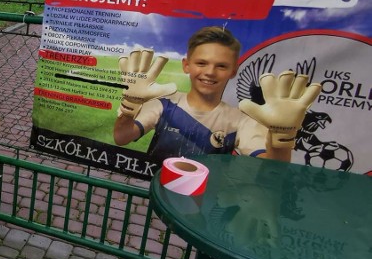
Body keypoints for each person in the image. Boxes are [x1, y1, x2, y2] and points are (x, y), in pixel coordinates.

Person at [113, 26, 321, 163]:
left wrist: (282, 137)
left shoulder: (240, 121)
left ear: (233, 71)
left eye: (221, 66)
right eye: (201, 63)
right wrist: (129, 106)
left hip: (206, 208)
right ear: (187, 65)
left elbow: (272, 169)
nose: (210, 72)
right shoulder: (164, 104)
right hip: (155, 200)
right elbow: (121, 137)